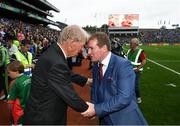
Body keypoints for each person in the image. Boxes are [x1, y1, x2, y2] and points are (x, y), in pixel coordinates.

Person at [23, 25, 90, 125]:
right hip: (44, 119)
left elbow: (65, 73)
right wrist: (87, 109)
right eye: (82, 45)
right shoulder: (56, 60)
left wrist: (86, 80)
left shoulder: (54, 53)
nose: (82, 50)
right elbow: (69, 93)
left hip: (41, 114)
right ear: (72, 43)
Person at [81, 32, 147, 125]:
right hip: (104, 119)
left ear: (103, 48)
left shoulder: (123, 65)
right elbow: (95, 88)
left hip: (124, 120)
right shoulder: (96, 65)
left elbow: (124, 97)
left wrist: (97, 109)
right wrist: (94, 106)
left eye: (91, 48)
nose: (88, 53)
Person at [7, 60, 31, 125]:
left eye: (9, 72)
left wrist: (9, 115)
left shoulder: (14, 83)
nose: (8, 74)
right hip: (28, 109)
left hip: (18, 112)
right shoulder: (28, 78)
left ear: (16, 71)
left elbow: (10, 103)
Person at [127, 38, 147, 103]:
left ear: (135, 44)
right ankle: (130, 96)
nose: (129, 44)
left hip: (136, 71)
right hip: (129, 70)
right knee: (128, 84)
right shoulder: (129, 51)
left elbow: (144, 61)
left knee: (135, 85)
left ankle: (138, 97)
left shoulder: (140, 51)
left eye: (131, 43)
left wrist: (138, 69)